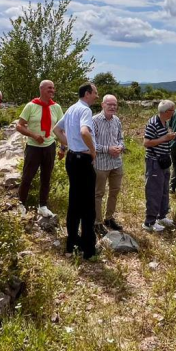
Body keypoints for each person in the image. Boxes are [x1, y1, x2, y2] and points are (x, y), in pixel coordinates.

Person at [54, 82, 99, 259]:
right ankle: (88, 249)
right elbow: (84, 132)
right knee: (88, 205)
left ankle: (72, 243)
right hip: (82, 160)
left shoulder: (72, 109)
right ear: (87, 93)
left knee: (74, 202)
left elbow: (56, 130)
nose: (96, 96)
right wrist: (92, 150)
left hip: (72, 158)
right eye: (95, 92)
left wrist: (69, 143)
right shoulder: (85, 110)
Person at [15, 80, 64, 216]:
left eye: (53, 88)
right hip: (33, 147)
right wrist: (34, 135)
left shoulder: (56, 107)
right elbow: (19, 126)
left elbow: (62, 129)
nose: (52, 90)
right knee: (27, 177)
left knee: (46, 177)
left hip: (50, 146)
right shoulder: (31, 106)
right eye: (49, 88)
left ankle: (43, 206)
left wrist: (63, 147)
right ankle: (21, 204)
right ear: (41, 89)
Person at [92, 94, 125, 235]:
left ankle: (109, 218)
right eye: (109, 104)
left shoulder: (116, 120)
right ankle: (97, 222)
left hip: (116, 162)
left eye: (114, 104)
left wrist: (120, 147)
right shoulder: (94, 121)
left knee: (114, 191)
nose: (112, 107)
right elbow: (91, 144)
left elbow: (120, 138)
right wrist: (108, 149)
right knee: (98, 193)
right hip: (100, 163)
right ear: (102, 105)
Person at [143, 100, 176, 233]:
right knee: (154, 191)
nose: (174, 113)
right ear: (166, 112)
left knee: (164, 189)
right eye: (173, 110)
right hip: (154, 161)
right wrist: (165, 138)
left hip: (164, 161)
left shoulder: (165, 122)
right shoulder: (153, 123)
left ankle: (161, 216)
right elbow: (146, 142)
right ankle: (149, 222)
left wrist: (168, 138)